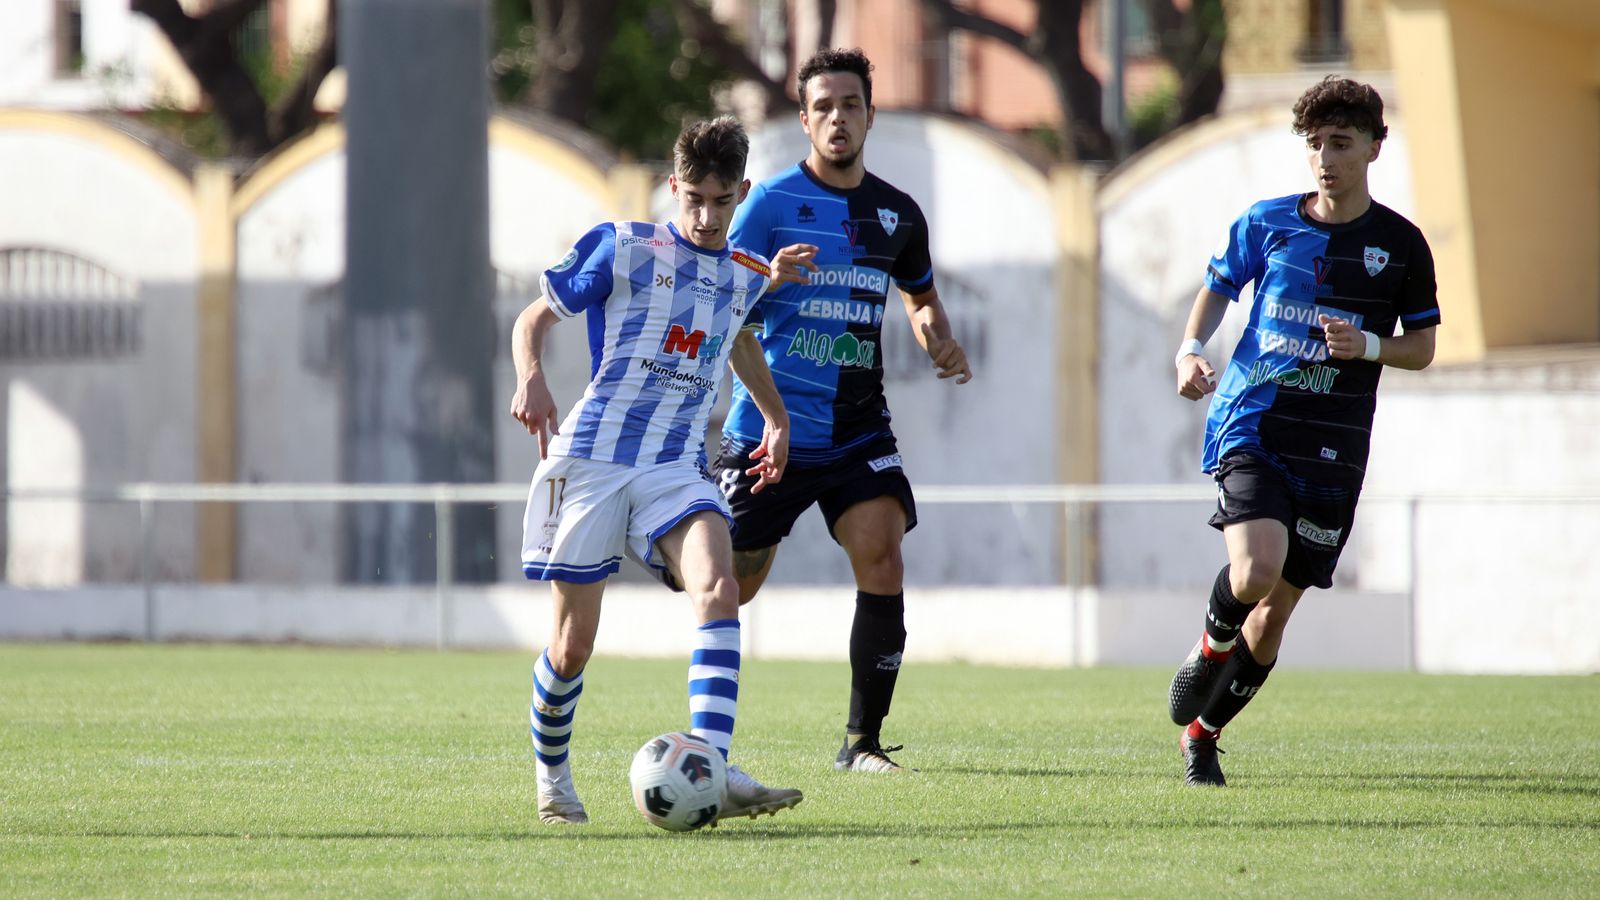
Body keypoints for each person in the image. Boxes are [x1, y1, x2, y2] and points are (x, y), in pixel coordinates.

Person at [509, 116, 821, 824]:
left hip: (675, 466)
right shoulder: (623, 248)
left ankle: (711, 765)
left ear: (742, 192)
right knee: (571, 646)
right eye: (694, 201)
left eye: (722, 202)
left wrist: (775, 417)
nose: (707, 218)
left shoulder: (745, 274)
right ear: (672, 187)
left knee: (719, 586)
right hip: (592, 460)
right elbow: (534, 318)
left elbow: (738, 342)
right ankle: (552, 776)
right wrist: (530, 379)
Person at [1166, 76, 1441, 786]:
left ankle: (1203, 734)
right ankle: (1209, 642)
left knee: (1275, 615)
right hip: (1254, 420)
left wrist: (1369, 347)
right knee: (1254, 571)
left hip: (1335, 448)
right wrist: (1191, 347)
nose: (1325, 158)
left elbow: (1423, 347)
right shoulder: (1267, 222)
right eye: (1315, 144)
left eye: (1341, 143)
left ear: (1375, 148)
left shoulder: (1401, 246)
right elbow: (1219, 288)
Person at [711, 48, 973, 775]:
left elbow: (919, 297)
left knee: (883, 554)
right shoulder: (765, 206)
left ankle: (862, 743)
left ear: (869, 115)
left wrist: (939, 340)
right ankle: (707, 732)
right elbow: (718, 307)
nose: (836, 117)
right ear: (804, 120)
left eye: (849, 104)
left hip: (859, 429)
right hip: (768, 427)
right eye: (822, 106)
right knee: (732, 583)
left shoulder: (897, 215)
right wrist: (769, 277)